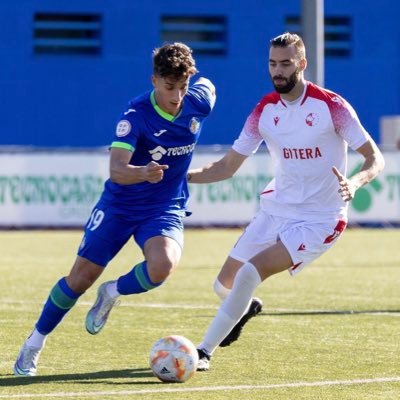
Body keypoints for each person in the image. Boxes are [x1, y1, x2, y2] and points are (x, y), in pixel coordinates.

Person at [14, 42, 216, 376]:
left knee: (163, 266)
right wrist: (143, 173)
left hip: (164, 206)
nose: (177, 96)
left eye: (182, 87)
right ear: (154, 80)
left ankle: (112, 291)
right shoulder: (135, 115)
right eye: (170, 88)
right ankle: (34, 343)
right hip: (121, 205)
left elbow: (208, 86)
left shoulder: (199, 102)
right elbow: (117, 170)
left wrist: (192, 76)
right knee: (79, 279)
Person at [187, 32, 385, 371]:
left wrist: (355, 182)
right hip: (277, 207)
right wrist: (181, 175)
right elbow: (227, 166)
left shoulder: (331, 106)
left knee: (252, 270)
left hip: (320, 217)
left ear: (302, 64)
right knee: (223, 284)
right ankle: (243, 308)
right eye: (272, 64)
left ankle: (203, 352)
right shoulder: (264, 110)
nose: (277, 71)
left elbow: (375, 158)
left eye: (285, 64)